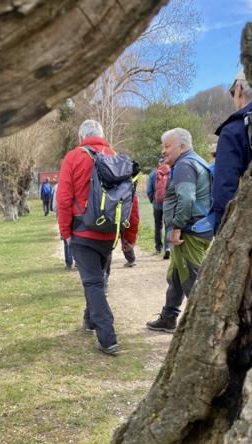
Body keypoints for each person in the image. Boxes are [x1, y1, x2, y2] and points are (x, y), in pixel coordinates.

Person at [57, 119, 139, 355]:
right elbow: (130, 200)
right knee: (96, 279)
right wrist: (129, 235)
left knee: (93, 282)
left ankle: (108, 338)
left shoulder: (74, 157)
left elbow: (63, 199)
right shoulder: (116, 157)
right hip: (109, 231)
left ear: (81, 137)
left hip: (82, 231)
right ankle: (90, 320)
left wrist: (65, 233)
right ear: (102, 136)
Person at [146, 128, 212, 333]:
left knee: (191, 279)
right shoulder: (196, 161)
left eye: (167, 146)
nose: (163, 151)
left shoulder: (184, 165)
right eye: (163, 146)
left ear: (182, 147)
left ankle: (206, 328)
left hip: (189, 231)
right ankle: (168, 318)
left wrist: (176, 227)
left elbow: (186, 198)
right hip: (197, 227)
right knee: (176, 275)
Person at [209, 69, 252, 233]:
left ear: (239, 89)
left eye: (233, 93)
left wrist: (221, 230)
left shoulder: (234, 129)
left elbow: (224, 189)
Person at [146, 159, 171, 259]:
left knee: (158, 225)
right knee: (168, 225)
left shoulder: (153, 174)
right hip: (169, 204)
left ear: (159, 163)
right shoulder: (172, 171)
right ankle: (168, 247)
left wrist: (153, 201)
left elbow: (149, 190)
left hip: (157, 204)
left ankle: (158, 248)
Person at [52, 183, 74, 270]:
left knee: (66, 239)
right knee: (77, 238)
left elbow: (54, 206)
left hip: (63, 216)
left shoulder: (57, 186)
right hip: (76, 215)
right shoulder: (75, 183)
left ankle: (68, 263)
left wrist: (58, 213)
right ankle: (78, 261)